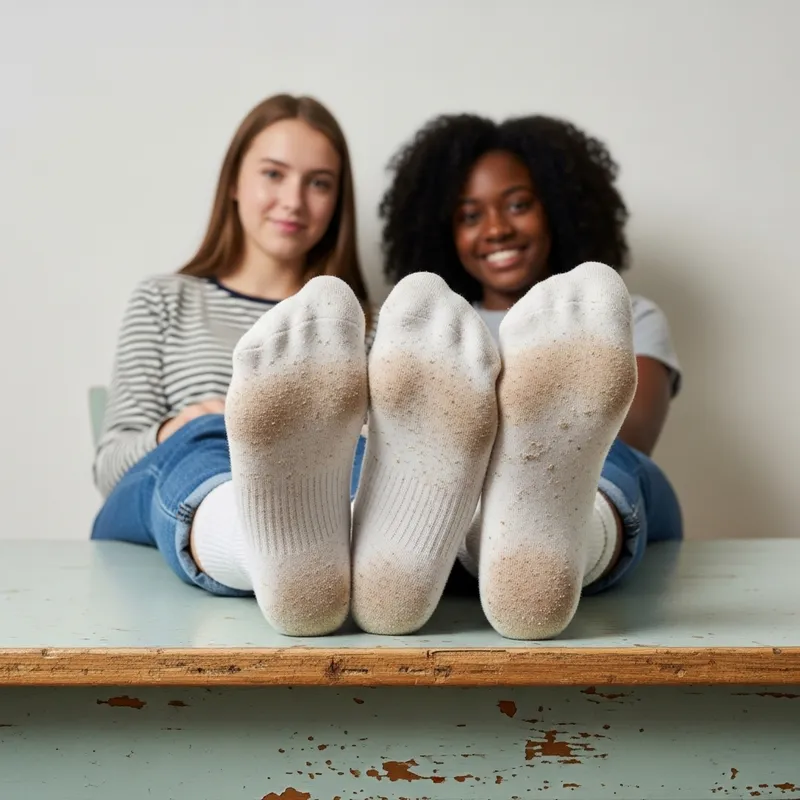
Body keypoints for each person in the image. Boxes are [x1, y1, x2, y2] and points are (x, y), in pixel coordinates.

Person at [378, 113, 683, 639]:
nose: (496, 228)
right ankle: (466, 552)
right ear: (443, 231)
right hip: (440, 497)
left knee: (621, 465)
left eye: (518, 204)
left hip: (594, 487)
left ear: (560, 208)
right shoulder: (424, 326)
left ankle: (546, 544)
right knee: (380, 459)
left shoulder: (618, 313)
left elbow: (629, 436)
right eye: (469, 215)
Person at [92, 94, 376, 637]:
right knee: (212, 435)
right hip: (174, 487)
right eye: (274, 174)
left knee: (368, 452)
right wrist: (184, 424)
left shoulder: (361, 324)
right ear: (234, 184)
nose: (294, 200)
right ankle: (269, 552)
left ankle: (355, 558)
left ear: (338, 201)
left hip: (332, 497)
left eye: (319, 183)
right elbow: (110, 469)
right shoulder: (165, 299)